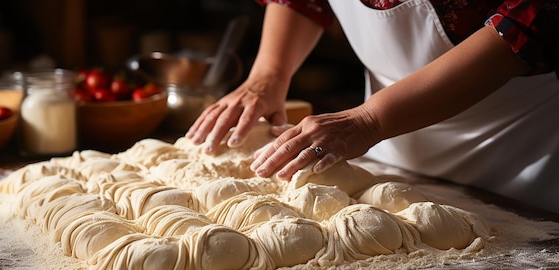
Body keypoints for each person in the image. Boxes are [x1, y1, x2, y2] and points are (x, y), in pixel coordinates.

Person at [185, 0, 559, 213]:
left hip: (519, 153)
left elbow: (530, 21)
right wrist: (266, 76)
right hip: (389, 150)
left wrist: (368, 119)